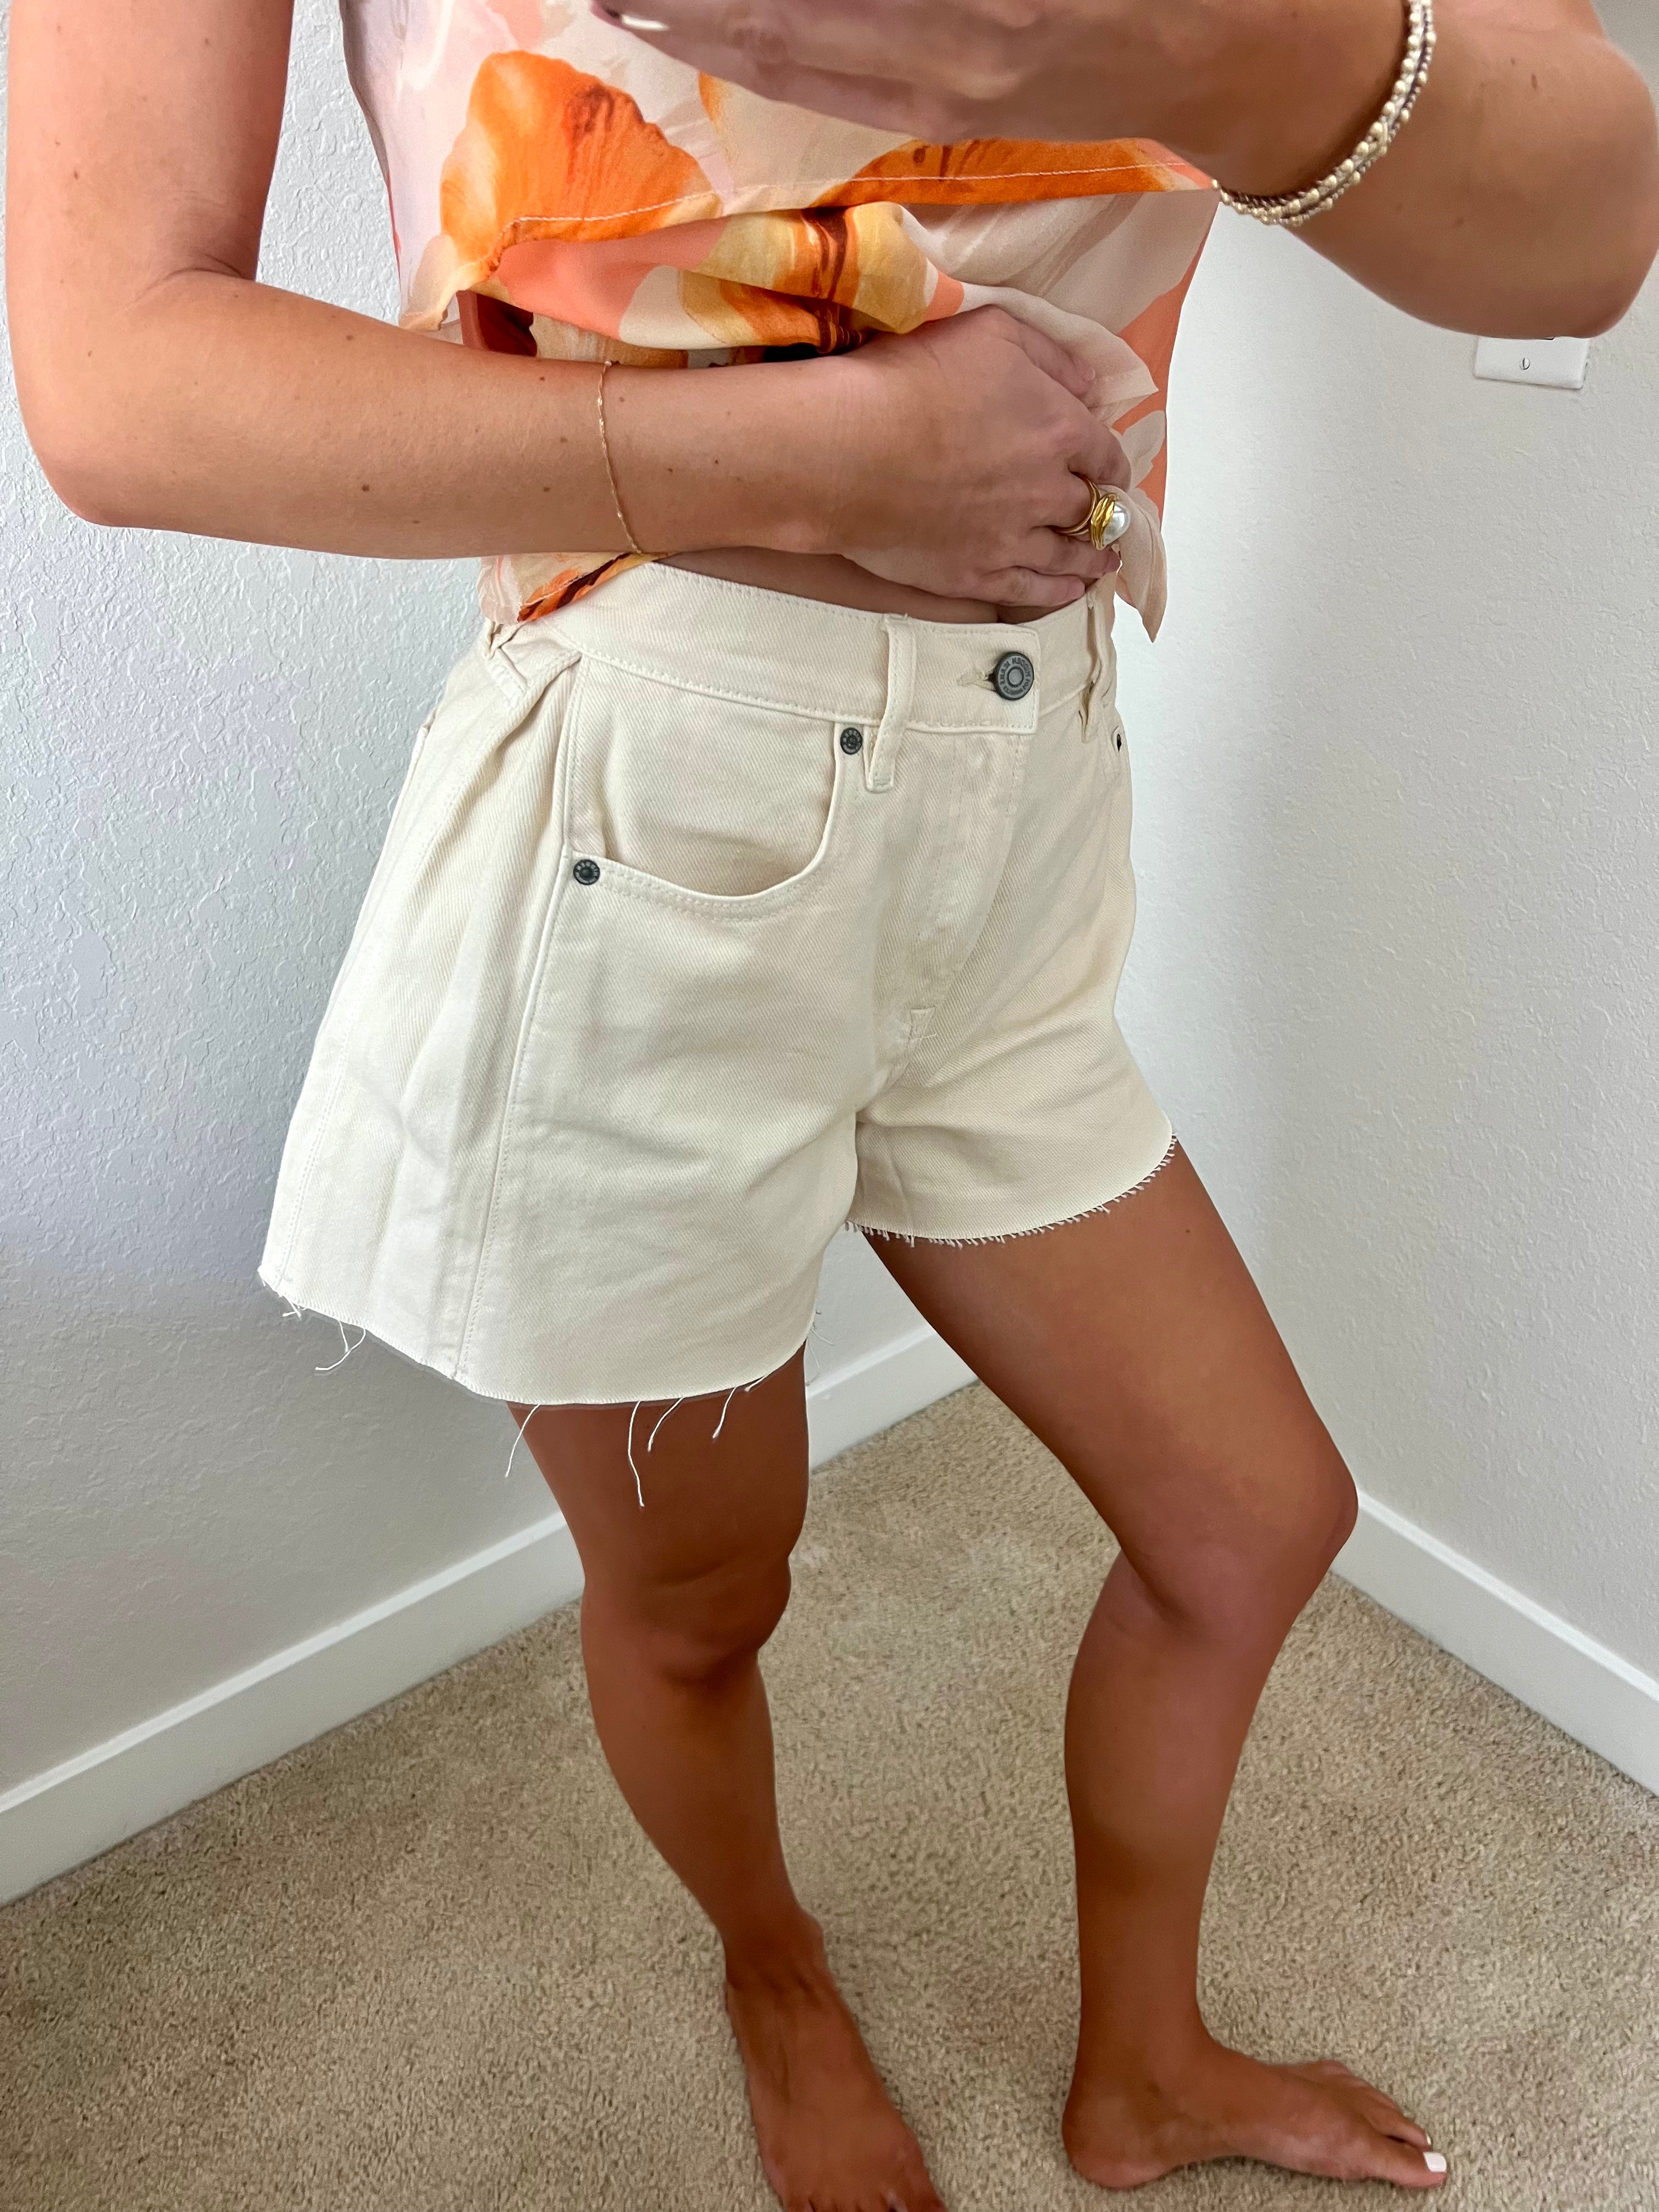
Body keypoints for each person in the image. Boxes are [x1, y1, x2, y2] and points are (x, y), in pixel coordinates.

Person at [9, 1, 1655, 2203]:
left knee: (1253, 1524)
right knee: (706, 1599)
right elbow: (116, 382)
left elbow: (1584, 216)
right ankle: (773, 1973)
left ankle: (1142, 2063)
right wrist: (810, 461)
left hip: (1031, 784)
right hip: (660, 808)